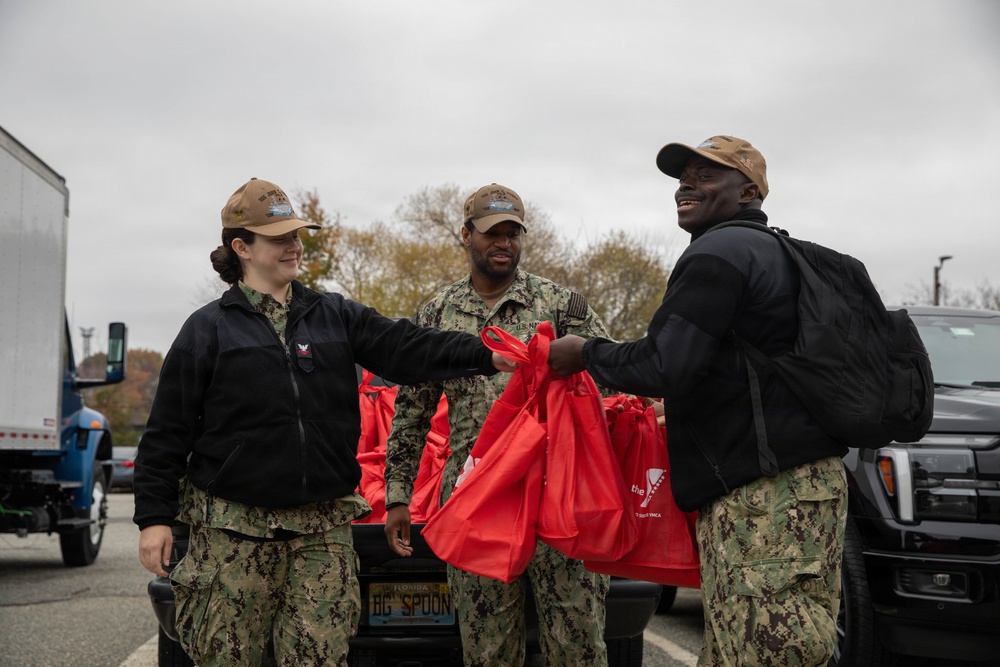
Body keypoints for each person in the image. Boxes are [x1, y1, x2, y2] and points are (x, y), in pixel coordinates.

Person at [133, 177, 515, 667]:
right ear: (241, 247)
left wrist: (486, 353)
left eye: (297, 236)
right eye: (280, 238)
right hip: (233, 534)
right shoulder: (207, 330)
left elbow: (408, 346)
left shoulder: (332, 315)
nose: (294, 246)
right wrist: (154, 518)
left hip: (322, 532)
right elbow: (167, 432)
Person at [548, 136, 849, 667]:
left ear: (749, 190)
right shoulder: (777, 253)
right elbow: (741, 372)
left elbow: (665, 364)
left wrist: (583, 352)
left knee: (761, 650)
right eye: (684, 175)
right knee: (767, 645)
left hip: (763, 500)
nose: (687, 185)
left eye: (708, 175)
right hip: (804, 489)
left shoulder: (720, 252)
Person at [383, 183, 612, 666]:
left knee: (578, 647)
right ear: (466, 236)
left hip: (558, 500)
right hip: (477, 502)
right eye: (492, 233)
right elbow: (411, 411)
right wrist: (398, 495)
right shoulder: (436, 314)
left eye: (513, 233)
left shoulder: (561, 306)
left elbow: (610, 385)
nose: (504, 242)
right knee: (487, 651)